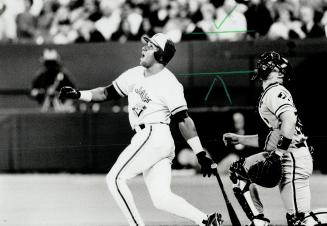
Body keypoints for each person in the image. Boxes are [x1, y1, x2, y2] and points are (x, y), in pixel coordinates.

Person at [59, 33, 222, 226]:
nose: (144, 48)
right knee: (161, 198)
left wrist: (200, 153)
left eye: (150, 46)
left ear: (160, 55)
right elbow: (106, 92)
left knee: (115, 179)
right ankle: (206, 220)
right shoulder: (135, 73)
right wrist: (79, 95)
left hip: (154, 134)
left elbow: (183, 120)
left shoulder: (169, 83)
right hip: (153, 139)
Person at [223, 51, 313, 226]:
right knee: (238, 171)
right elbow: (272, 137)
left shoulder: (275, 91)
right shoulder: (273, 91)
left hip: (292, 158)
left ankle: (259, 220)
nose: (266, 65)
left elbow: (289, 119)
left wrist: (278, 153)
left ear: (280, 73)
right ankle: (259, 220)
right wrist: (239, 139)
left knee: (300, 220)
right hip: (292, 155)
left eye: (273, 65)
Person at [30, 48, 76, 112]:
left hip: (62, 109)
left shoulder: (63, 75)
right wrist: (42, 93)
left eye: (53, 63)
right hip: (45, 108)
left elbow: (73, 93)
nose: (51, 67)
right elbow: (33, 92)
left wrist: (65, 106)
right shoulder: (40, 76)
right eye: (48, 63)